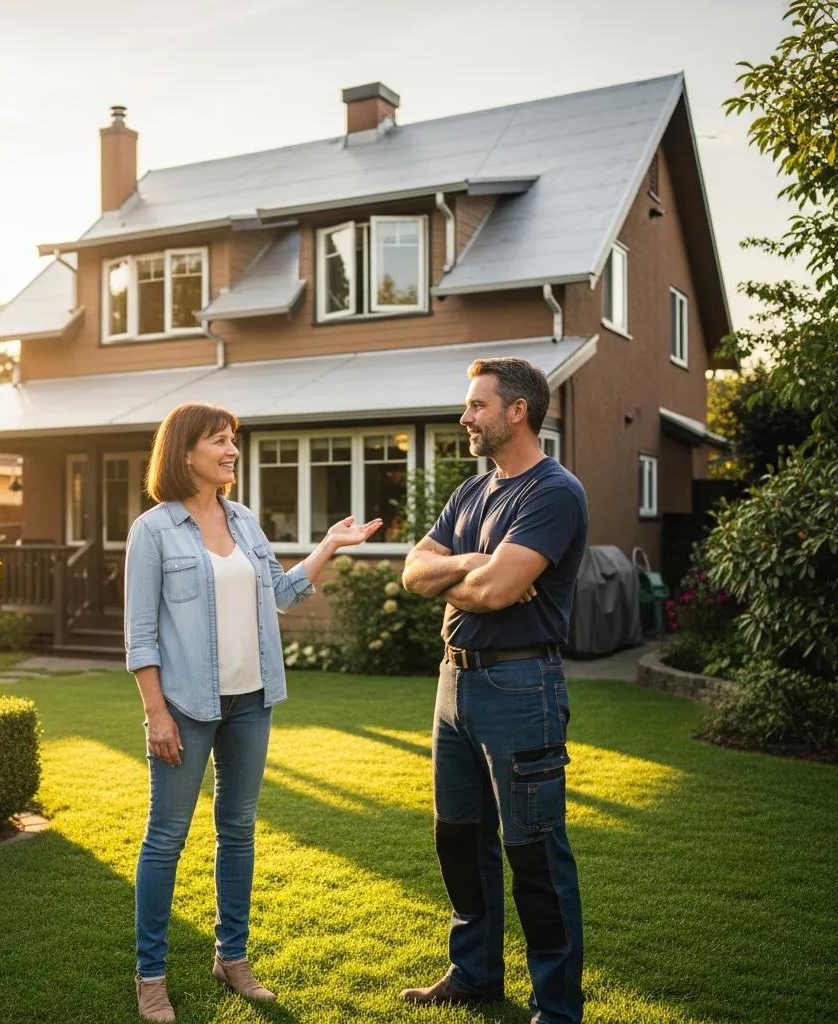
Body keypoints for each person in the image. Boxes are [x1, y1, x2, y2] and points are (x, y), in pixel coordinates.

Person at [124, 401, 382, 1023]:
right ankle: (151, 975)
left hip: (251, 703)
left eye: (233, 439)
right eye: (220, 441)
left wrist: (327, 548)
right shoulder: (153, 531)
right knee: (166, 839)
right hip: (185, 707)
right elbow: (139, 636)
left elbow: (282, 595)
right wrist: (156, 714)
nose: (232, 450)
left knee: (237, 831)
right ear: (186, 453)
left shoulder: (242, 520)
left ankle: (231, 957)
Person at [401, 357, 588, 1024]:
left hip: (519, 685)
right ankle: (475, 972)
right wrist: (471, 563)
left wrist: (461, 574)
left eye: (477, 405)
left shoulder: (554, 493)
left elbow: (497, 591)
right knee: (459, 838)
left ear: (518, 411)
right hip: (454, 683)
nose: (465, 418)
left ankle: (556, 1008)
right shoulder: (473, 493)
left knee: (533, 849)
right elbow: (412, 572)